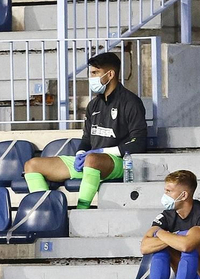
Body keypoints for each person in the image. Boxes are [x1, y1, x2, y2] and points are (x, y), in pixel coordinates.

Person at [22, 52, 147, 210]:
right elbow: (87, 138)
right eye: (91, 73)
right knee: (32, 164)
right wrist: (81, 152)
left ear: (110, 74)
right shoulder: (93, 105)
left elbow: (139, 142)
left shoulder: (131, 102)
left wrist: (103, 151)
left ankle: (82, 211)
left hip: (118, 163)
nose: (91, 78)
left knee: (93, 159)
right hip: (90, 161)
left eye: (95, 73)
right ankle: (45, 211)